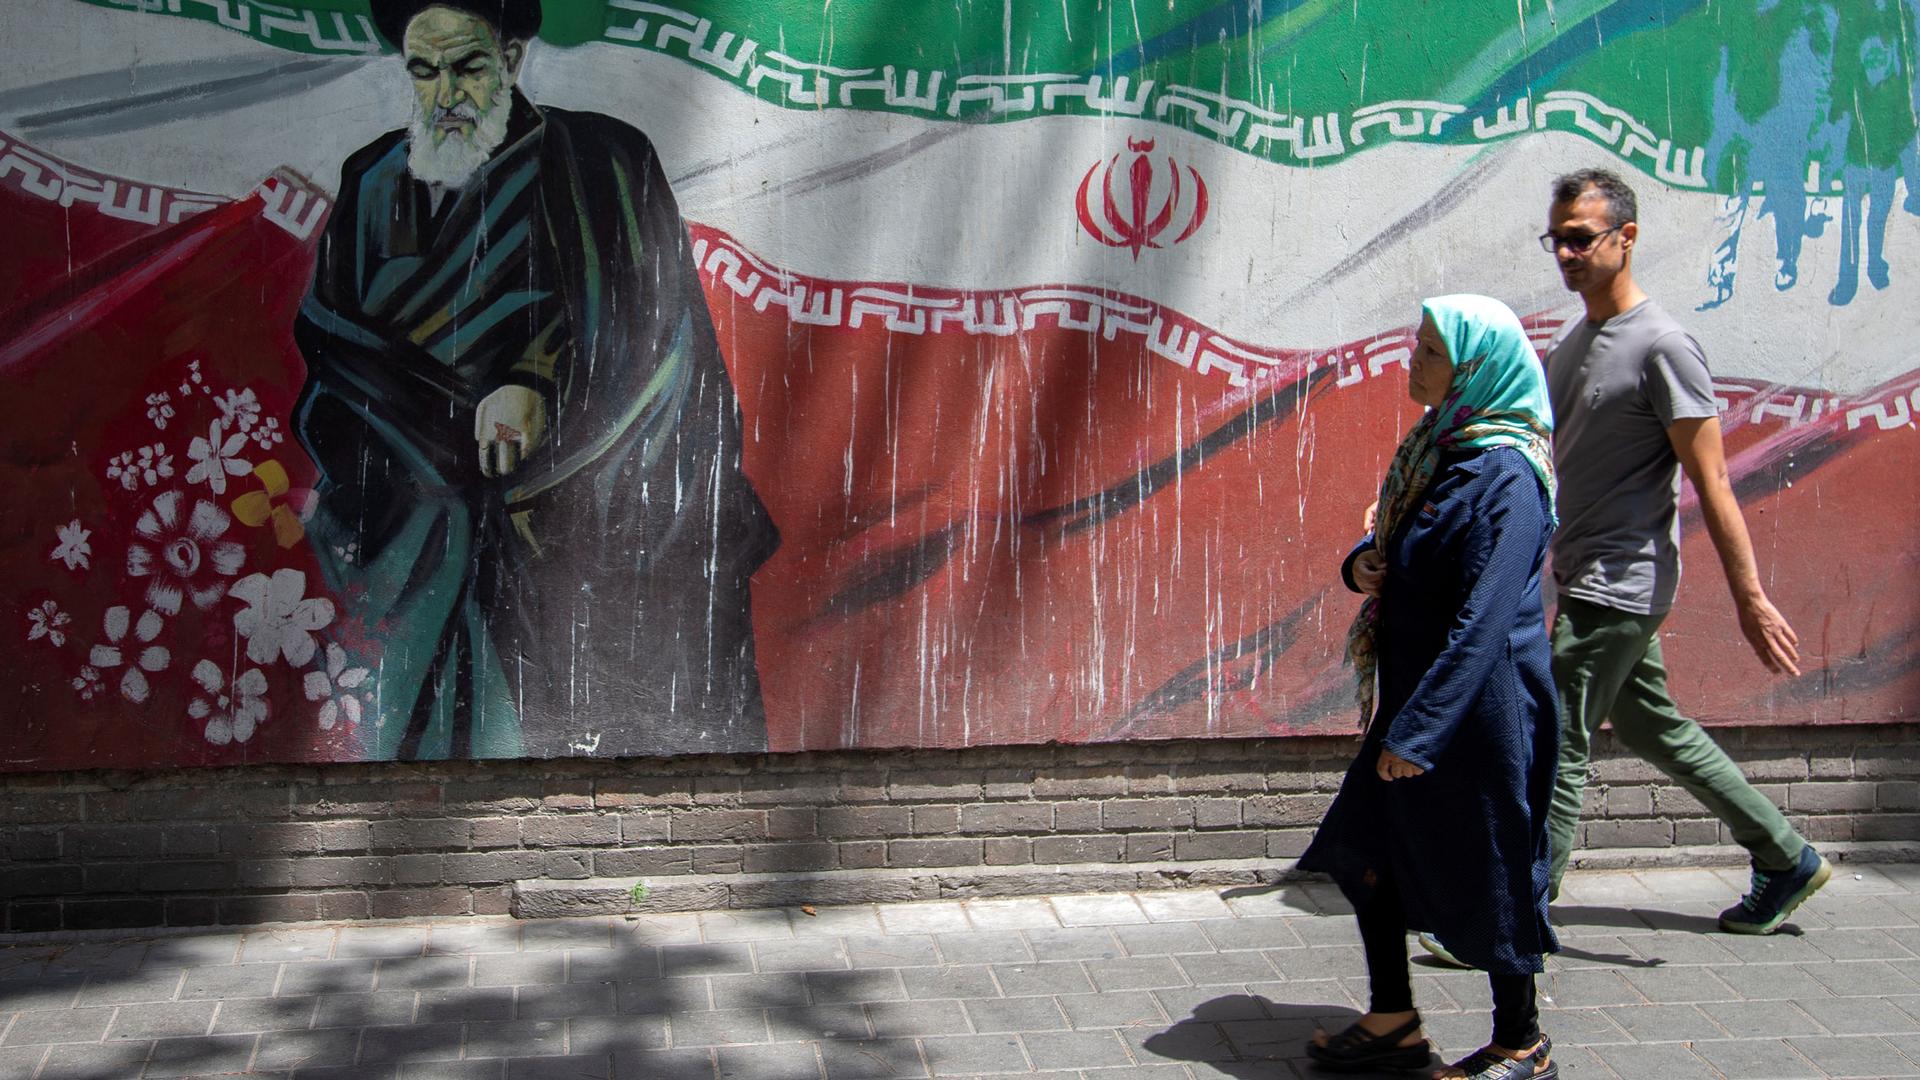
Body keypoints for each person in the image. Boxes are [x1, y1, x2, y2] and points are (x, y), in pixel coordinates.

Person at [294, 0, 778, 760]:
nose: (445, 92)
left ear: (513, 62)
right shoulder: (376, 180)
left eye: (467, 67)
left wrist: (539, 385)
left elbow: (652, 330)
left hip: (570, 503)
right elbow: (338, 350)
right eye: (424, 72)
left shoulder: (604, 162)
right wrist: (435, 427)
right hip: (421, 513)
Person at [1529, 168, 1827, 937]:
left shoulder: (1663, 345)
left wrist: (1750, 597)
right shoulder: (1577, 342)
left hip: (1618, 582)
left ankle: (1516, 917)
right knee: (1653, 726)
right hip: (1588, 570)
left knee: (1557, 742)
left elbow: (1714, 480)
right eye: (1556, 239)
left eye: (1581, 238)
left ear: (1626, 238)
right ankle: (1784, 855)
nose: (1566, 253)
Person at [1301, 296, 1561, 1080]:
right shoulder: (1442, 445)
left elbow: (1484, 621)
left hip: (1479, 713)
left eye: (1429, 351)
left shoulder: (1508, 473)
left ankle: (1523, 1042)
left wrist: (1420, 735)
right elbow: (1400, 533)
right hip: (1419, 699)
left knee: (1493, 862)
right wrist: (1363, 562)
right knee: (1362, 847)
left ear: (1475, 367)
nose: (1412, 362)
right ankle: (1393, 1020)